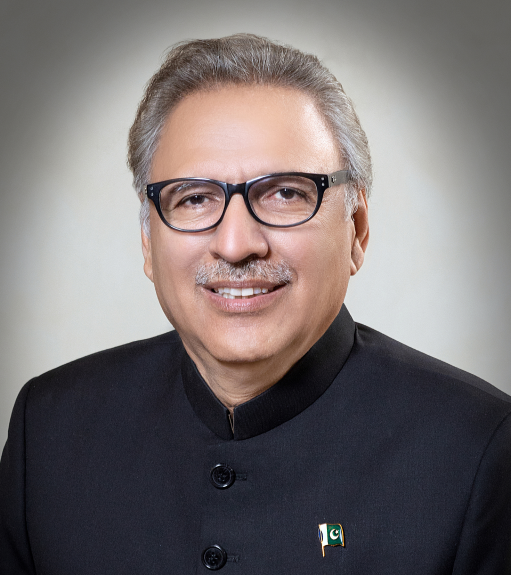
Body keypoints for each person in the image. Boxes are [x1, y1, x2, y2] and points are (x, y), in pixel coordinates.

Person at [1, 34, 510, 575]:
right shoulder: (49, 429)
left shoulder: (479, 451)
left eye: (286, 193)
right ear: (148, 243)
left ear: (357, 229)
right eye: (195, 198)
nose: (236, 244)